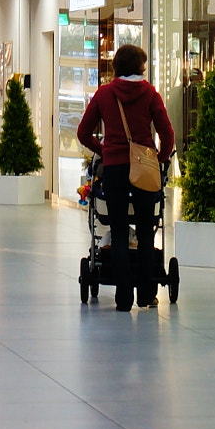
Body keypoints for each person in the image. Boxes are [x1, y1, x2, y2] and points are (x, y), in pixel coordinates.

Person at [77, 44, 174, 311]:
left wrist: (105, 150)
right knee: (145, 232)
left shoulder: (104, 94)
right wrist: (161, 158)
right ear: (139, 67)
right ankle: (145, 295)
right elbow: (167, 133)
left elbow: (83, 133)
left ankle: (122, 299)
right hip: (143, 168)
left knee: (118, 231)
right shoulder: (150, 94)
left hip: (115, 169)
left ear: (117, 67)